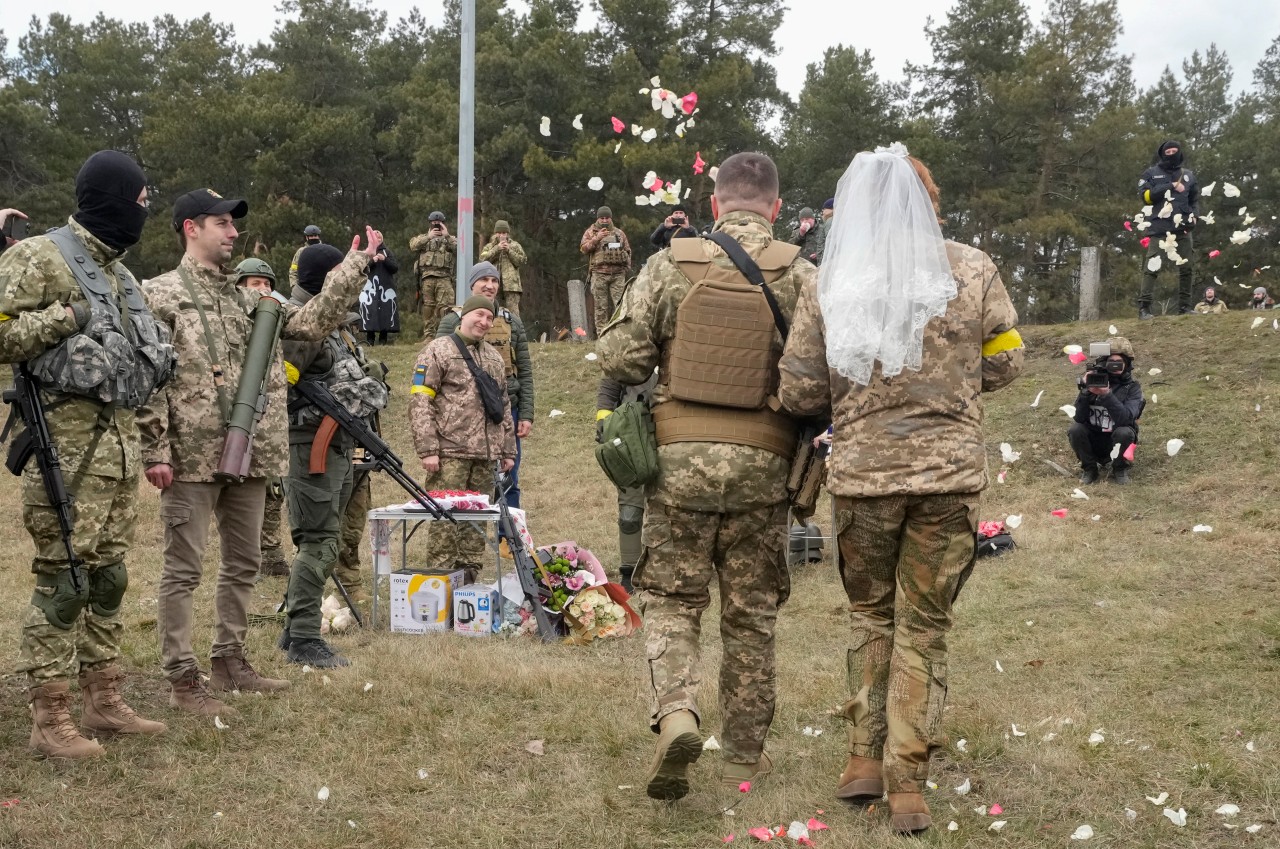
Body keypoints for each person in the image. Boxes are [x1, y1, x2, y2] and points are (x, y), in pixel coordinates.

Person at [778, 145, 1024, 834]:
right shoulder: (972, 268)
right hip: (948, 477)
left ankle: (862, 760)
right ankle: (908, 784)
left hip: (863, 480)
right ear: (929, 199)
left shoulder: (829, 280)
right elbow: (1008, 359)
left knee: (872, 616)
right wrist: (957, 383)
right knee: (925, 625)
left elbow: (797, 388)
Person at [598, 151, 813, 800]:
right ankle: (744, 755)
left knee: (671, 600)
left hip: (679, 466)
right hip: (764, 470)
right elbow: (822, 379)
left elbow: (621, 356)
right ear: (775, 209)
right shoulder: (803, 274)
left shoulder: (671, 264)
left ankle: (678, 715)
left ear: (714, 204)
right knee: (750, 616)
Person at [139, 188, 381, 714]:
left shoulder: (253, 301)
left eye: (233, 224)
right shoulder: (157, 294)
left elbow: (312, 323)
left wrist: (354, 267)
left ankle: (230, 660)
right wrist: (156, 448)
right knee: (184, 568)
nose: (233, 233)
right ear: (190, 228)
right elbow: (150, 380)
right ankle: (183, 679)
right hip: (190, 456)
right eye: (222, 224)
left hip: (249, 455)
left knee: (244, 562)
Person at [0, 150, 172, 758]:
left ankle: (103, 699)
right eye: (140, 199)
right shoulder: (38, 257)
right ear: (111, 197)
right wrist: (65, 315)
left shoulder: (122, 276)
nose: (144, 210)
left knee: (108, 578)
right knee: (63, 581)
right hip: (65, 455)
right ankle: (49, 720)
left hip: (119, 452)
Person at [277, 244, 390, 666]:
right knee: (318, 542)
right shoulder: (300, 326)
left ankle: (294, 630)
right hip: (310, 447)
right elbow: (280, 389)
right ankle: (305, 637)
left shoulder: (336, 326)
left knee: (328, 538)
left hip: (335, 446)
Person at [410, 296, 516, 580]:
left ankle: (469, 581)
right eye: (479, 315)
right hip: (449, 454)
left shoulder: (494, 358)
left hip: (485, 456)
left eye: (489, 318)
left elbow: (503, 404)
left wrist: (507, 450)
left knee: (475, 525)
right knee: (444, 522)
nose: (484, 322)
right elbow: (421, 401)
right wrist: (428, 448)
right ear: (464, 316)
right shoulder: (437, 350)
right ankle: (438, 583)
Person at [437, 262, 534, 508]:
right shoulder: (451, 321)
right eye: (484, 280)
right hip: (462, 415)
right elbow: (436, 369)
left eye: (495, 281)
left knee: (509, 478)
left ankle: (507, 540)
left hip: (504, 411)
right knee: (464, 483)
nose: (490, 286)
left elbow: (525, 371)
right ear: (472, 285)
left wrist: (526, 414)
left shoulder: (512, 323)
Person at [234, 259, 292, 580]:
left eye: (268, 284)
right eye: (256, 284)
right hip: (242, 418)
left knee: (274, 488)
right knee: (244, 490)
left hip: (272, 419)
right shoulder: (231, 322)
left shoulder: (276, 320)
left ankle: (271, 553)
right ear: (240, 286)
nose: (265, 290)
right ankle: (246, 559)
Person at [595, 374, 658, 592]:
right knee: (630, 513)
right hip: (634, 431)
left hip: (677, 432)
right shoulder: (634, 345)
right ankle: (630, 570)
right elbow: (610, 383)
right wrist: (604, 421)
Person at [1068, 337, 1143, 486]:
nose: (1116, 365)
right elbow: (1079, 417)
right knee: (1075, 429)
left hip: (1116, 439)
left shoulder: (1132, 388)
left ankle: (1120, 468)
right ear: (1104, 363)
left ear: (1127, 364)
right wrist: (1085, 392)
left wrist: (1106, 395)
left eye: (1120, 362)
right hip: (1094, 437)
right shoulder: (1094, 382)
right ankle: (1089, 469)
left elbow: (1126, 419)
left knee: (1125, 431)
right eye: (1111, 361)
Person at [1138, 139, 1199, 319]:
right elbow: (1146, 197)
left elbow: (1194, 199)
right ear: (1162, 154)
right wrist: (1170, 186)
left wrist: (1195, 214)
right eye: (1168, 152)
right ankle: (1144, 309)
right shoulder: (1150, 174)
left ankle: (1185, 308)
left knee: (1187, 268)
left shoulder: (1188, 175)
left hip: (1183, 229)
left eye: (1175, 151)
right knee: (1151, 268)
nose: (1171, 154)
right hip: (1159, 229)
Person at [580, 207, 632, 336]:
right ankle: (602, 336)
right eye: (602, 218)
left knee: (621, 306)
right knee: (600, 308)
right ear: (598, 218)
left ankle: (621, 335)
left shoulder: (619, 233)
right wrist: (596, 238)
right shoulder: (590, 232)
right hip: (599, 274)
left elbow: (628, 251)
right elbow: (583, 249)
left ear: (611, 218)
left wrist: (626, 267)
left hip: (618, 275)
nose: (604, 220)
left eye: (607, 218)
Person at [409, 211, 457, 337]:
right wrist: (428, 237)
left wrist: (447, 236)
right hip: (427, 277)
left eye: (439, 223)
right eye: (434, 223)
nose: (436, 225)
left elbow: (460, 250)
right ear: (430, 224)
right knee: (428, 307)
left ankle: (446, 335)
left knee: (446, 307)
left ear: (444, 224)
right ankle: (429, 336)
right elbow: (413, 245)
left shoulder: (450, 240)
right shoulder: (423, 238)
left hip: (445, 277)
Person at [478, 220, 527, 318]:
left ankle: (514, 333)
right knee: (493, 311)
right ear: (495, 233)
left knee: (513, 315)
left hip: (511, 286)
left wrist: (509, 250)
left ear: (508, 233)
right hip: (493, 285)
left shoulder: (515, 246)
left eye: (504, 233)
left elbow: (522, 261)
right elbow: (482, 260)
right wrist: (497, 249)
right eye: (499, 233)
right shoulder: (489, 246)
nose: (501, 235)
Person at [360, 238, 400, 344]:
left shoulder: (387, 252)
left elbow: (395, 268)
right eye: (374, 236)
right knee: (370, 311)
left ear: (381, 239)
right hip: (370, 288)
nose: (376, 239)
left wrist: (385, 259)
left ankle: (383, 339)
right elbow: (362, 268)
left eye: (379, 237)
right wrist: (373, 261)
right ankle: (370, 339)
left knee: (385, 311)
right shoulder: (366, 252)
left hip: (386, 286)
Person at [289, 224, 323, 289]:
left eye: (315, 235)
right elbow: (293, 270)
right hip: (304, 288)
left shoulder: (325, 250)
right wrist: (294, 286)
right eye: (311, 236)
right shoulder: (301, 252)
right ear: (307, 237)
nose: (313, 238)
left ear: (318, 236)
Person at [813, 197, 834, 265]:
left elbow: (830, 242)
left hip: (827, 261)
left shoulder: (830, 221)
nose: (823, 211)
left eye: (824, 209)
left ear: (832, 209)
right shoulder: (834, 221)